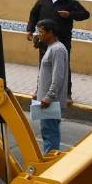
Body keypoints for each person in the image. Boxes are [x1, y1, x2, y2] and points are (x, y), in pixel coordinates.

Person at [25, 0, 89, 105]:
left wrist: (70, 15)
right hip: (45, 40)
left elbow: (85, 14)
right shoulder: (43, 0)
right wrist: (30, 29)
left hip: (62, 41)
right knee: (43, 64)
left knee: (63, 66)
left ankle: (67, 94)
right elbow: (34, 14)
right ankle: (39, 89)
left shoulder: (69, 2)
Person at [33, 19, 69, 153]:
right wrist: (38, 91)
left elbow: (58, 76)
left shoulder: (58, 49)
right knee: (47, 131)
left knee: (50, 133)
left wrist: (49, 96)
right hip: (46, 100)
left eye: (41, 32)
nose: (39, 35)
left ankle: (51, 162)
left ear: (51, 33)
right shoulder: (51, 48)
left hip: (51, 102)